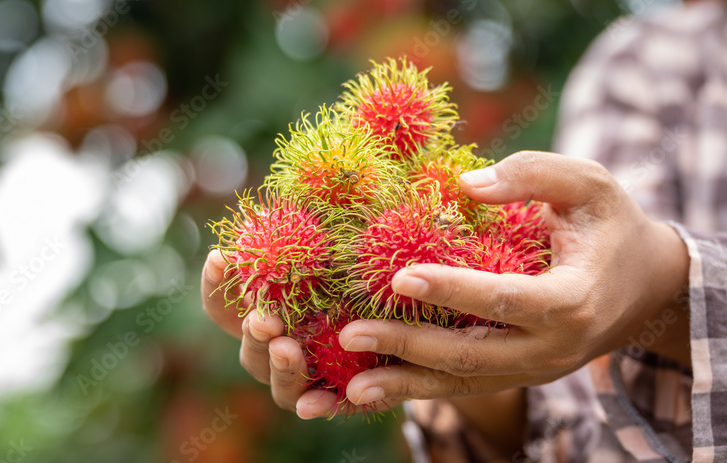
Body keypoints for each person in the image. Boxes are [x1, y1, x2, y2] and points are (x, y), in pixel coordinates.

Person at [201, 1, 727, 460]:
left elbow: (616, 280)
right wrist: (472, 368)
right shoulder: (646, 61)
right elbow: (575, 434)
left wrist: (661, 283)